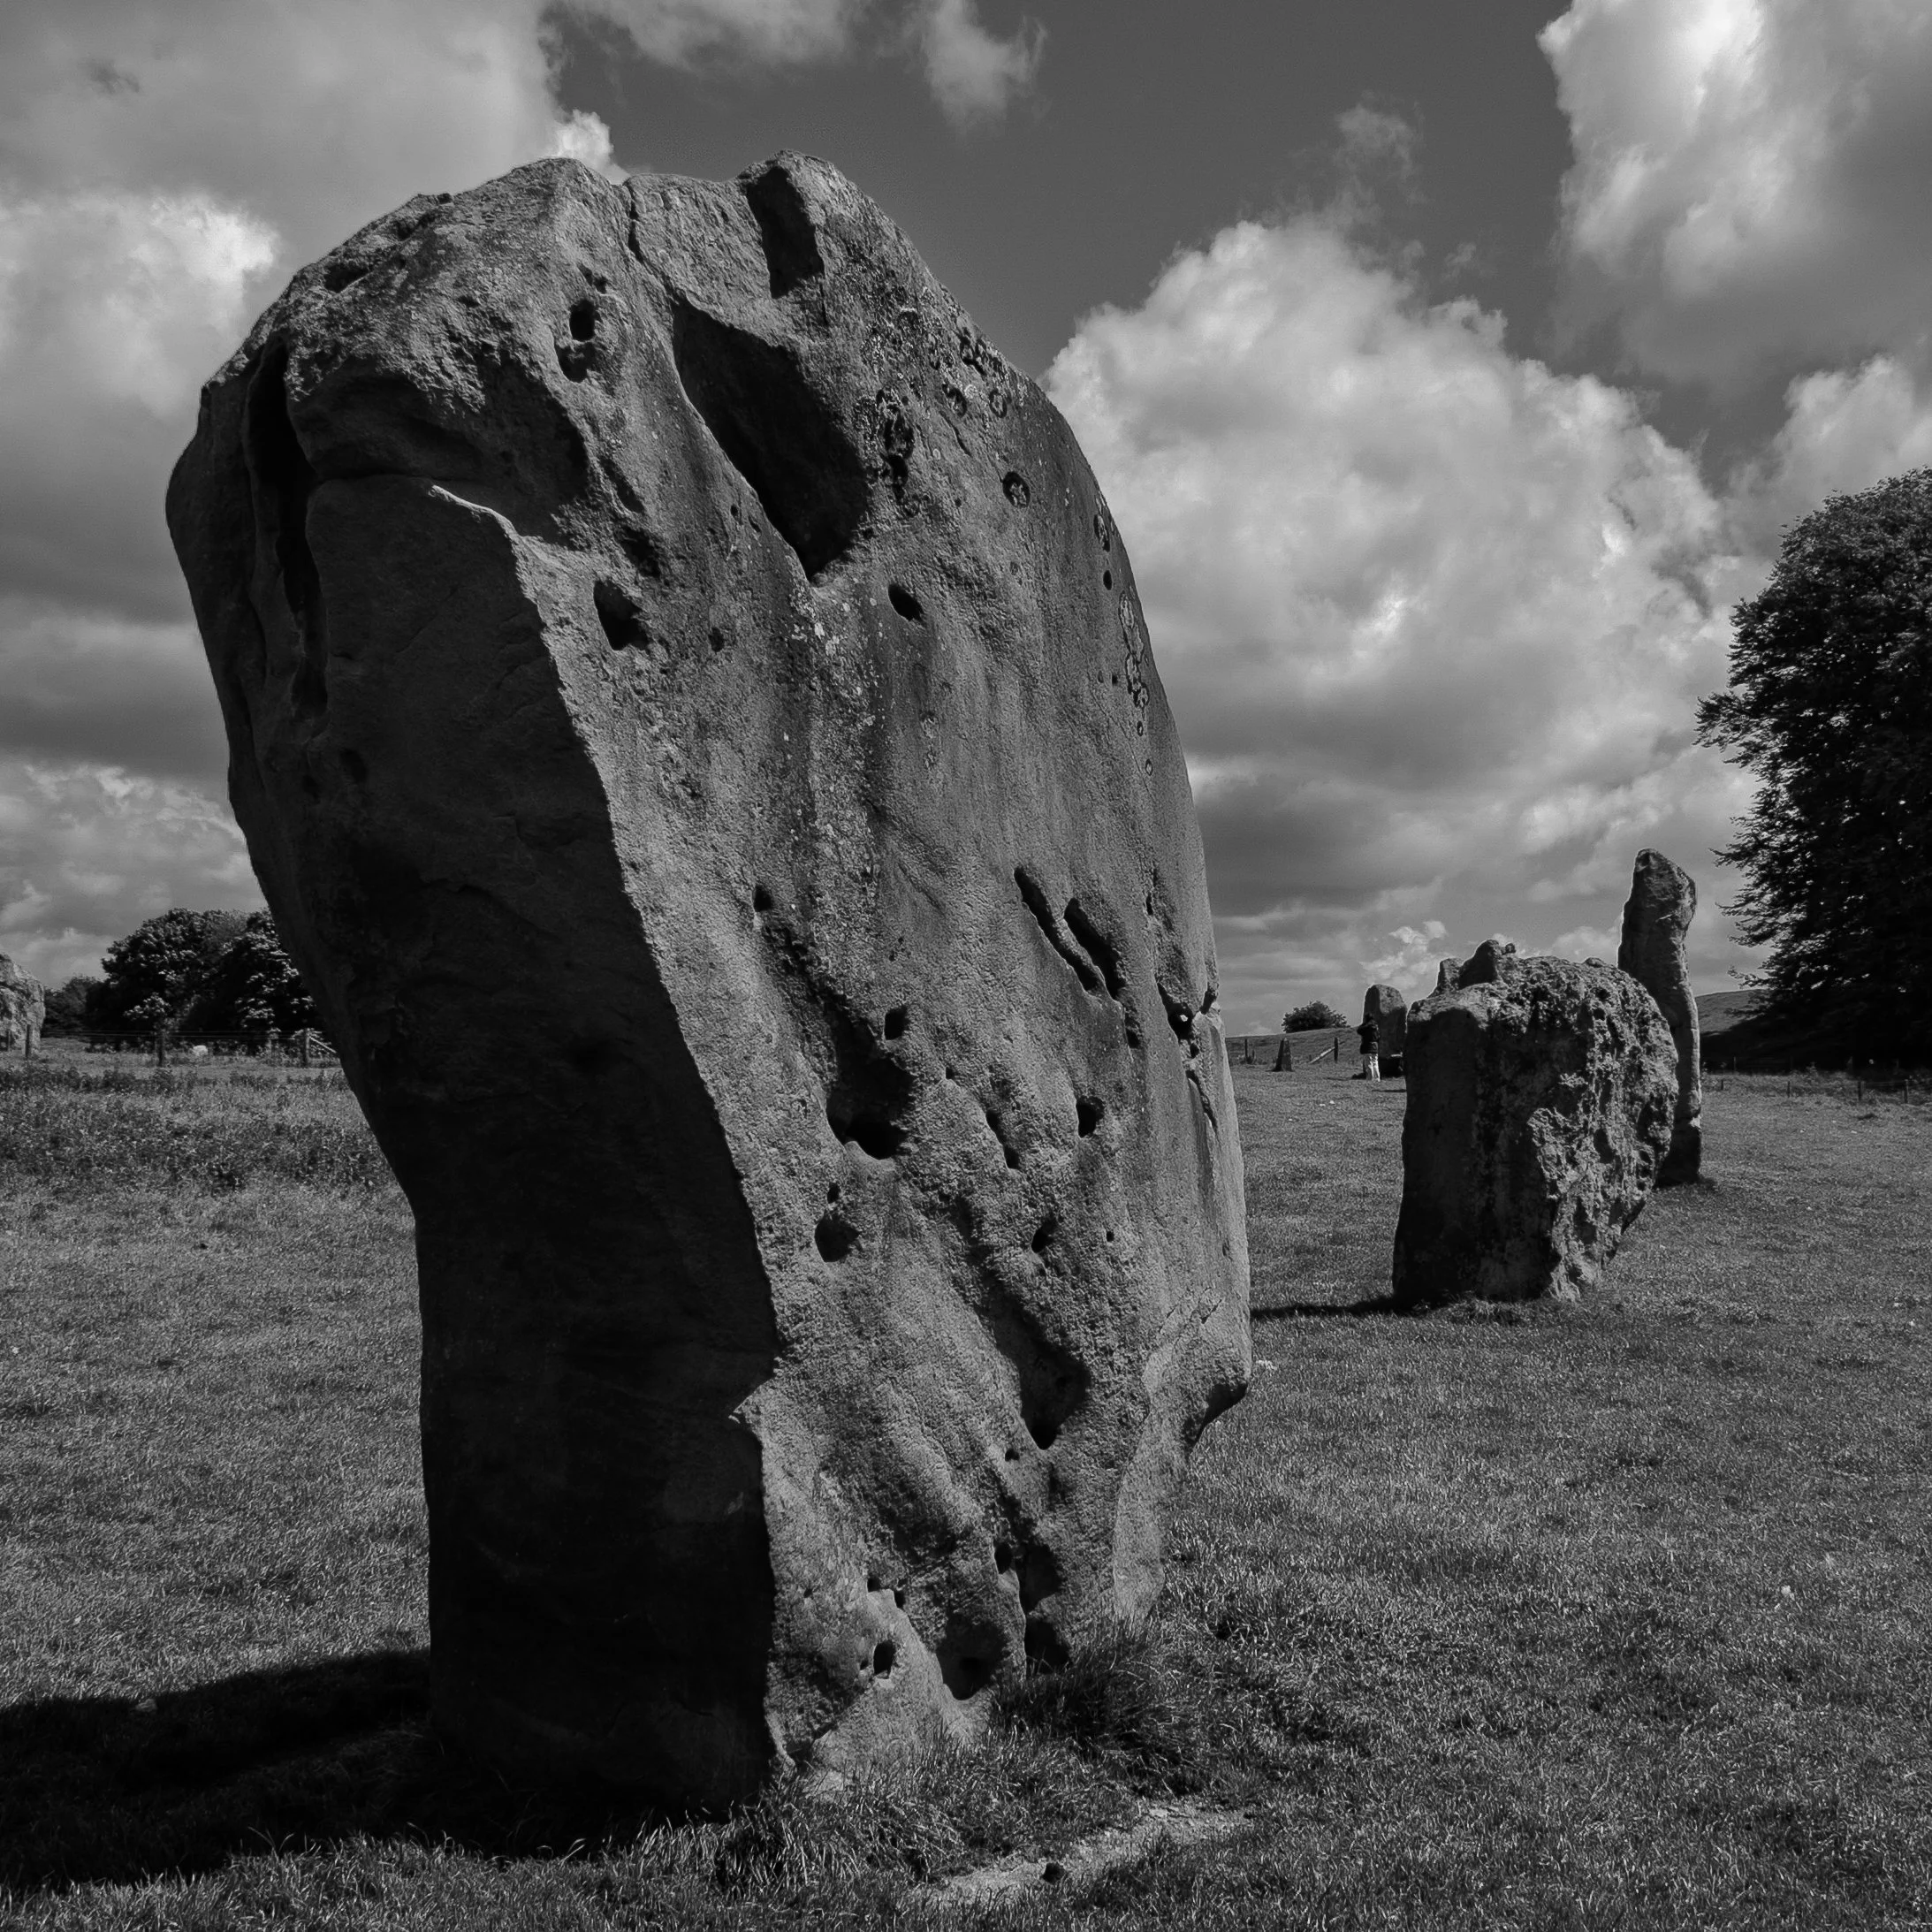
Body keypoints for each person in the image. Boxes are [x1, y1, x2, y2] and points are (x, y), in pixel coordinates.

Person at [1356, 1015, 1381, 1083]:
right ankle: (1377, 1078)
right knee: (1375, 1062)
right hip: (1375, 1045)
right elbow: (1379, 1037)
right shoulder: (1376, 1027)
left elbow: (1359, 1030)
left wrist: (1364, 1023)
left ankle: (1370, 1078)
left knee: (1369, 1063)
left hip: (1368, 1046)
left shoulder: (1366, 1027)